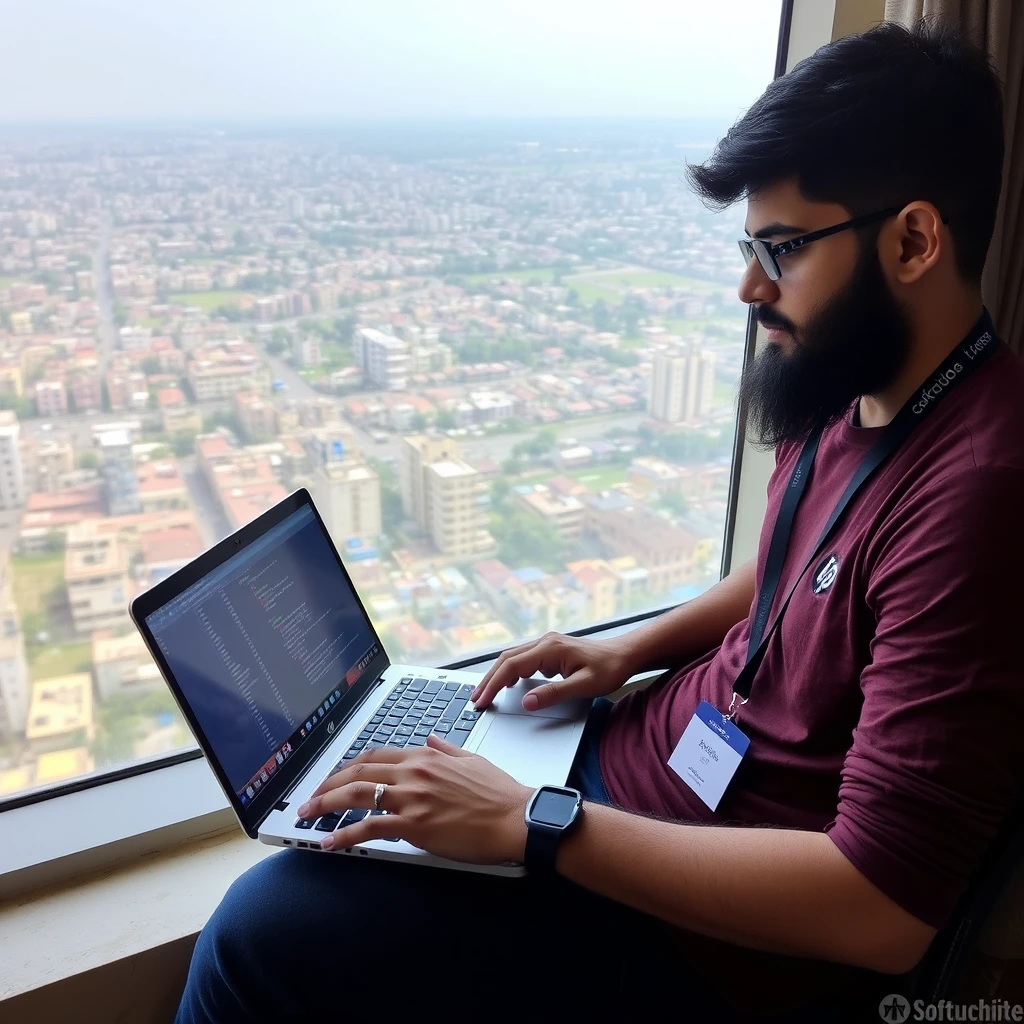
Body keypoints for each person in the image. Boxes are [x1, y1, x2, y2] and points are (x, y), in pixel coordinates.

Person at [175, 22, 1024, 1024]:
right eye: (749, 247)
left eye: (783, 249)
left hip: (707, 943)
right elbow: (797, 565)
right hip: (622, 784)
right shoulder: (858, 380)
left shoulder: (983, 493)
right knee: (358, 819)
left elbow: (879, 911)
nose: (751, 287)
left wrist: (532, 821)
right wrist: (625, 651)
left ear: (913, 240)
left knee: (260, 931)